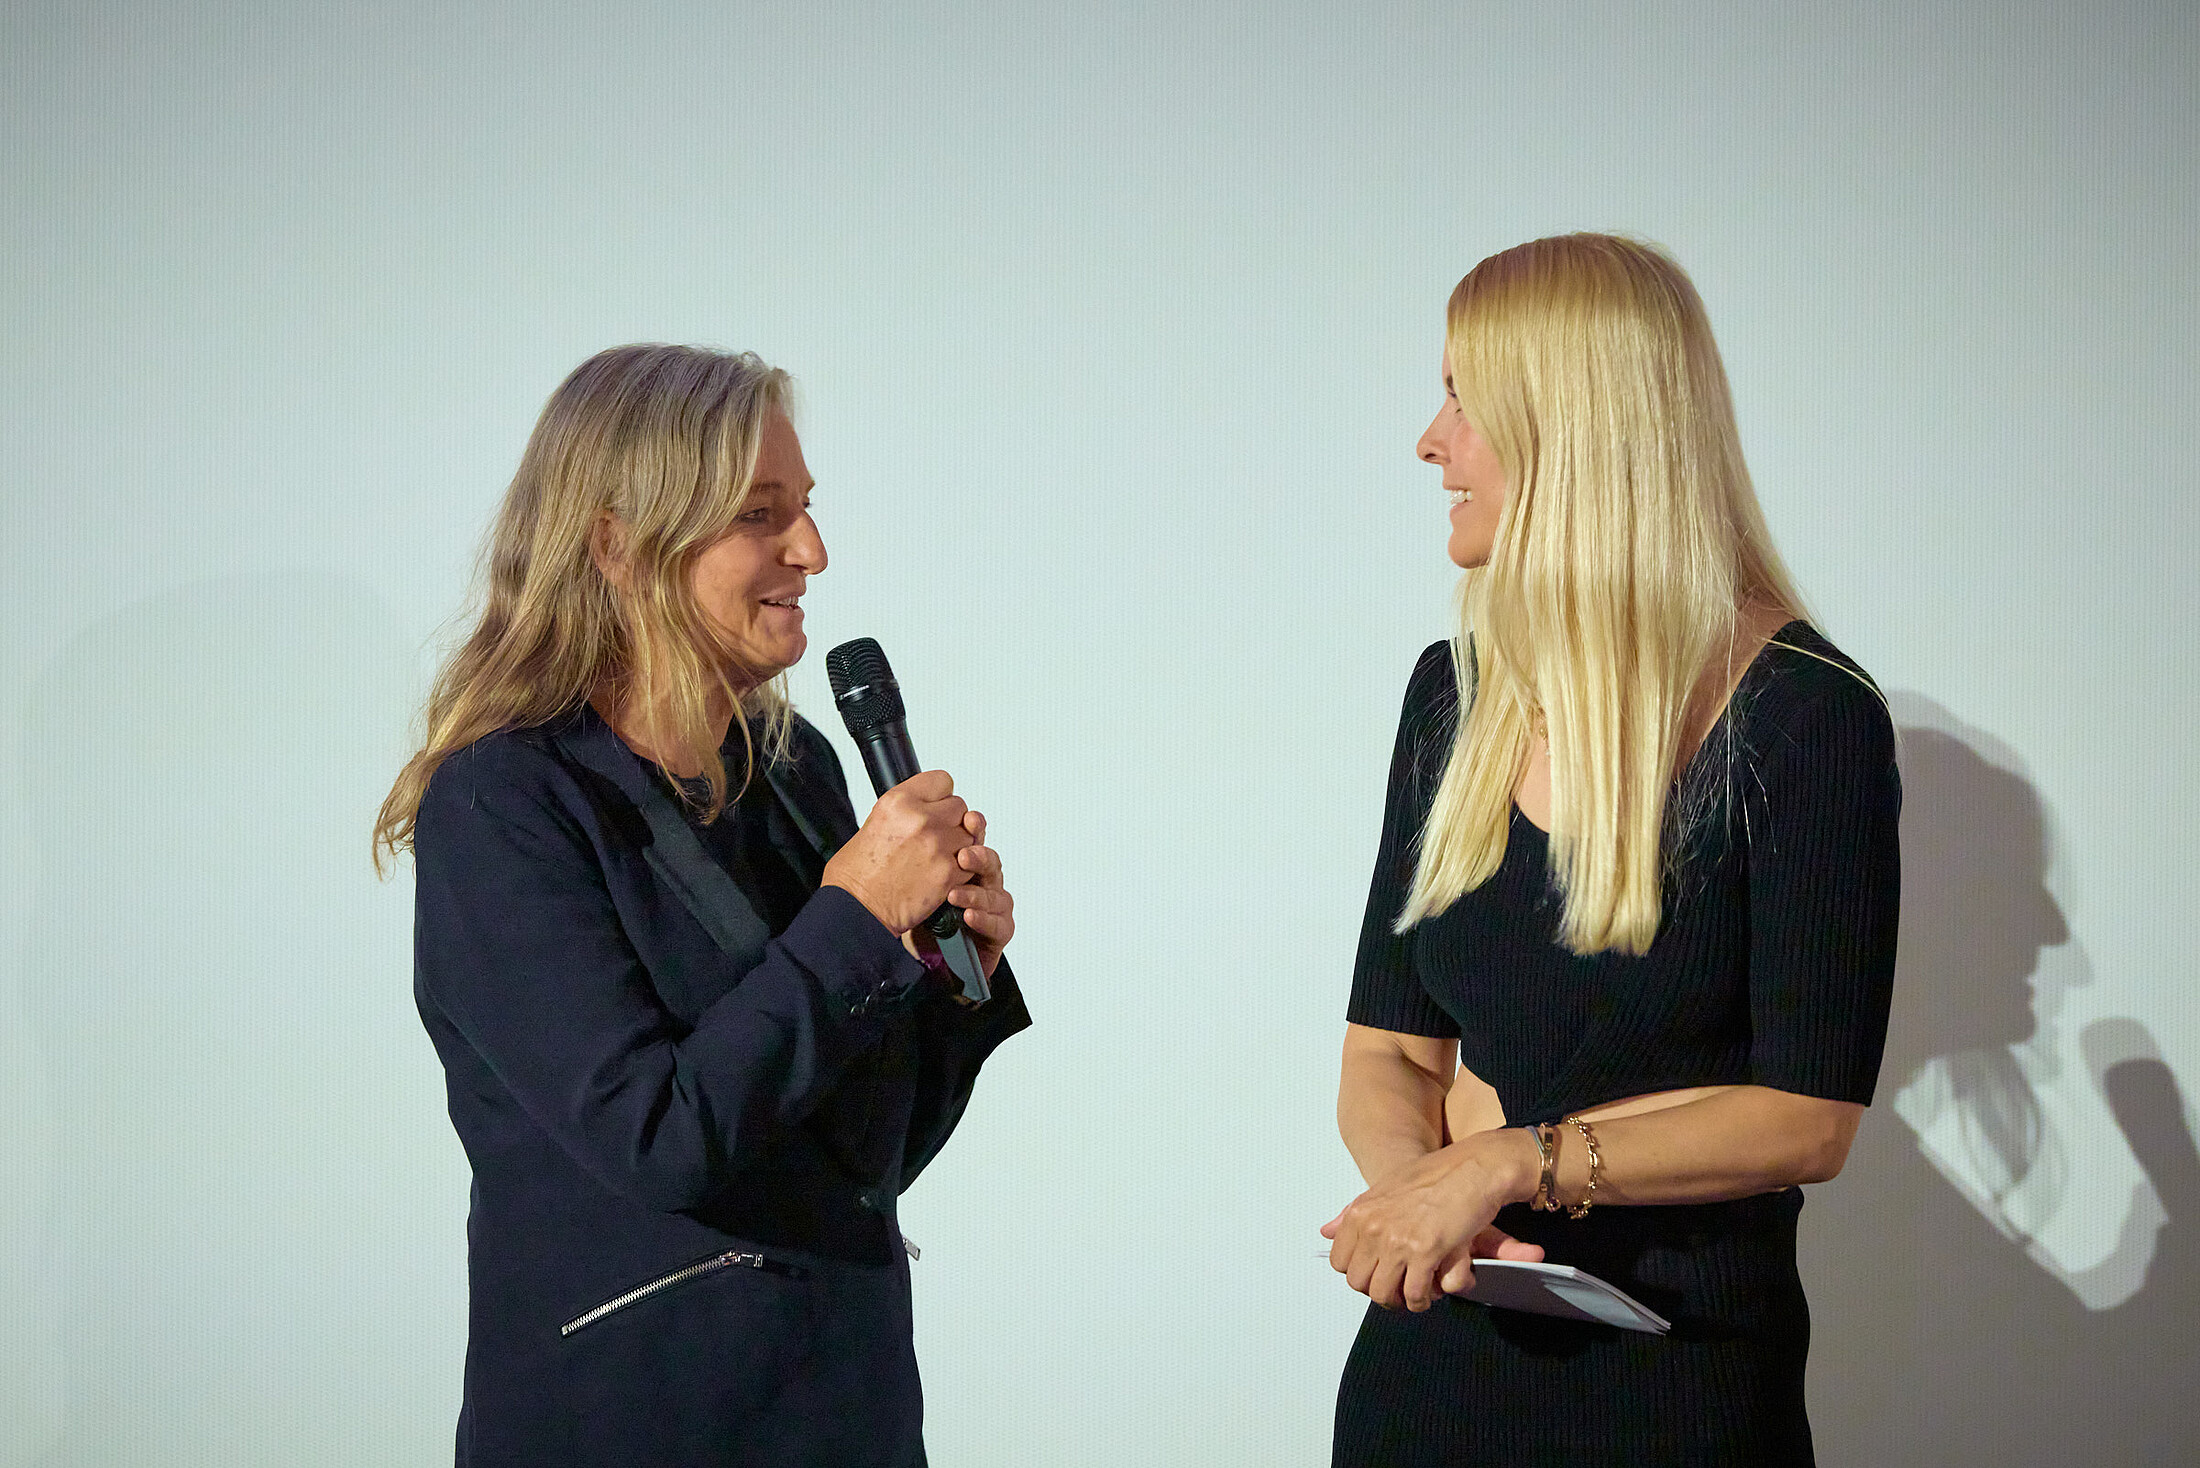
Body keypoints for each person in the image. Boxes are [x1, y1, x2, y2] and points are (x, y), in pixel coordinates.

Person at [373, 344, 1030, 1467]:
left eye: (807, 508)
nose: (811, 551)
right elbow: (657, 1137)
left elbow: (851, 1165)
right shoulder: (504, 801)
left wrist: (938, 964)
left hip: (841, 1410)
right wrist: (852, 922)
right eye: (759, 515)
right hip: (634, 1418)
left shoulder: (796, 767)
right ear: (617, 543)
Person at [1323, 234, 1899, 1465]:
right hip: (1440, 1348)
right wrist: (1426, 1198)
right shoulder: (1453, 695)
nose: (1429, 441)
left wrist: (1506, 1164)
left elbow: (1809, 1117)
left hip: (1679, 1374)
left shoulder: (1807, 717)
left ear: (1571, 427)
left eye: (1465, 399)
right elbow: (1387, 1049)